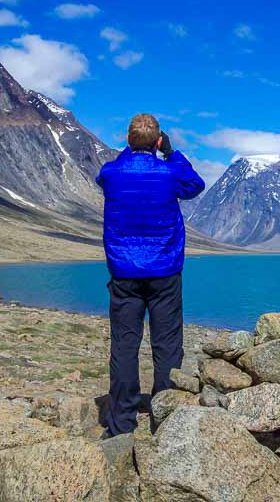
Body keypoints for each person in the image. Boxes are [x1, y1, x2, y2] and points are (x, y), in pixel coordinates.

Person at [95, 113, 205, 436]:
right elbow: (195, 183)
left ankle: (122, 424)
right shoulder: (169, 174)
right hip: (165, 271)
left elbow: (108, 174)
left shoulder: (111, 173)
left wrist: (133, 150)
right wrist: (170, 152)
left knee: (125, 346)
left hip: (124, 272)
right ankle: (165, 417)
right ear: (159, 141)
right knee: (167, 344)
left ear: (128, 141)